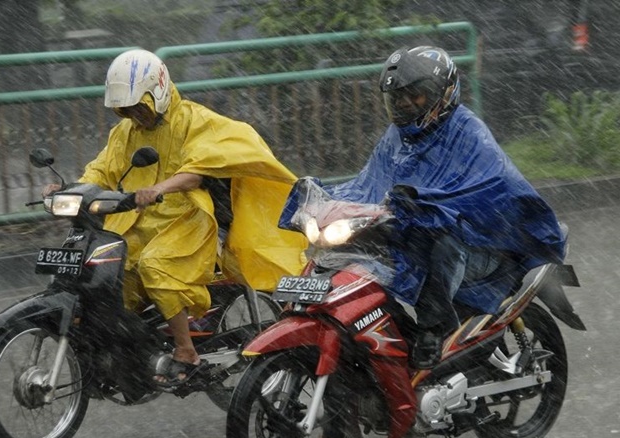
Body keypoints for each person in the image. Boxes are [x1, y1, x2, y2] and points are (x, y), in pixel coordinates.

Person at [43, 49, 307, 386]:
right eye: (126, 108)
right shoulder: (124, 133)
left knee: (156, 266)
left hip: (187, 220)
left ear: (159, 91)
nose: (134, 114)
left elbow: (198, 170)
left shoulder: (195, 122)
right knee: (107, 272)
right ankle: (134, 349)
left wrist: (159, 188)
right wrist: (69, 189)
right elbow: (102, 170)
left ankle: (186, 352)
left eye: (140, 105)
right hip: (136, 222)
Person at [325, 46, 567, 369]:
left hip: (483, 243)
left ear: (444, 93)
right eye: (397, 98)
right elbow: (368, 183)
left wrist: (429, 204)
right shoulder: (397, 137)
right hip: (419, 233)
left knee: (444, 245)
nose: (406, 105)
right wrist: (326, 202)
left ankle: (433, 330)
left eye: (416, 96)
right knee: (360, 248)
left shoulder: (469, 132)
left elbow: (485, 188)